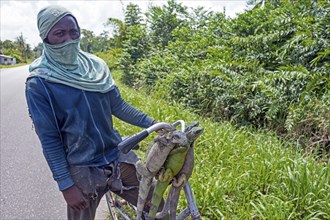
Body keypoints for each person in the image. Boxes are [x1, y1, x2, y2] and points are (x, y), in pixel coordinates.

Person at [25, 5, 165, 220]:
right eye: (59, 33)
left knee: (155, 203)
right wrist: (65, 185)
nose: (69, 39)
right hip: (82, 168)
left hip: (117, 153)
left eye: (74, 32)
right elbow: (49, 138)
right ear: (45, 38)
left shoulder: (96, 67)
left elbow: (118, 106)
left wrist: (155, 124)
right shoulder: (40, 83)